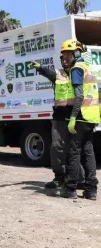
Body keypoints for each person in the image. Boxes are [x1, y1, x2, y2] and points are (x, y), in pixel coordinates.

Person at [31, 55, 85, 190]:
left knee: (74, 150)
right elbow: (49, 73)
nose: (64, 60)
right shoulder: (58, 74)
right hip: (59, 117)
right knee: (57, 147)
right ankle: (59, 178)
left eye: (67, 57)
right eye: (62, 58)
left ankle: (80, 179)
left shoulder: (78, 72)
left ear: (74, 57)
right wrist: (40, 68)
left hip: (76, 116)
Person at [57, 39, 99, 199]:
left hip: (81, 116)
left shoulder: (76, 69)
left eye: (68, 54)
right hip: (92, 116)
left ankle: (70, 188)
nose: (65, 58)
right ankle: (91, 190)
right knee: (88, 152)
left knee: (74, 152)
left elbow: (79, 95)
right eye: (63, 55)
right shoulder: (88, 68)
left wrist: (73, 117)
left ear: (76, 53)